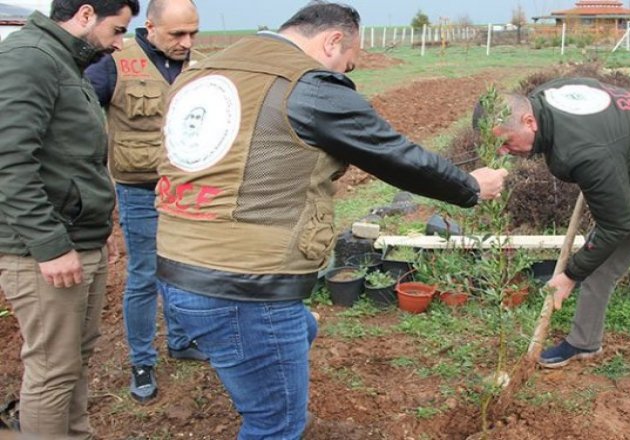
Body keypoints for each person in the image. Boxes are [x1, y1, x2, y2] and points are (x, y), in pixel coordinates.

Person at [155, 1, 508, 438]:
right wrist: (470, 186)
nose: (346, 73)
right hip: (245, 285)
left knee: (299, 330)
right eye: (347, 64)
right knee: (272, 425)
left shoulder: (204, 71)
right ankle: (285, 420)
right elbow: (394, 154)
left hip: (176, 269)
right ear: (332, 40)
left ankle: (287, 406)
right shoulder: (307, 85)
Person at [478, 77, 630, 440]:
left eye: (505, 141)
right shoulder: (547, 99)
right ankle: (584, 341)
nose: (504, 152)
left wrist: (567, 276)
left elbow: (614, 226)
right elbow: (589, 86)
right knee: (600, 267)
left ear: (529, 122)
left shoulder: (581, 149)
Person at [0, 0, 139, 438]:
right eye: (117, 30)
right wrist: (51, 245)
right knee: (53, 368)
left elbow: (73, 159)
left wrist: (101, 225)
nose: (120, 44)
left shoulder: (64, 62)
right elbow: (9, 162)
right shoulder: (30, 59)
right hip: (44, 251)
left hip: (80, 239)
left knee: (76, 358)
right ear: (84, 14)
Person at [84, 0, 205, 404]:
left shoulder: (202, 66)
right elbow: (81, 120)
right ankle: (141, 361)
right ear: (150, 26)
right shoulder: (114, 63)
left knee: (185, 269)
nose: (187, 42)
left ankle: (182, 339)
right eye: (177, 35)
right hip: (139, 191)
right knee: (145, 275)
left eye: (193, 33)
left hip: (190, 190)